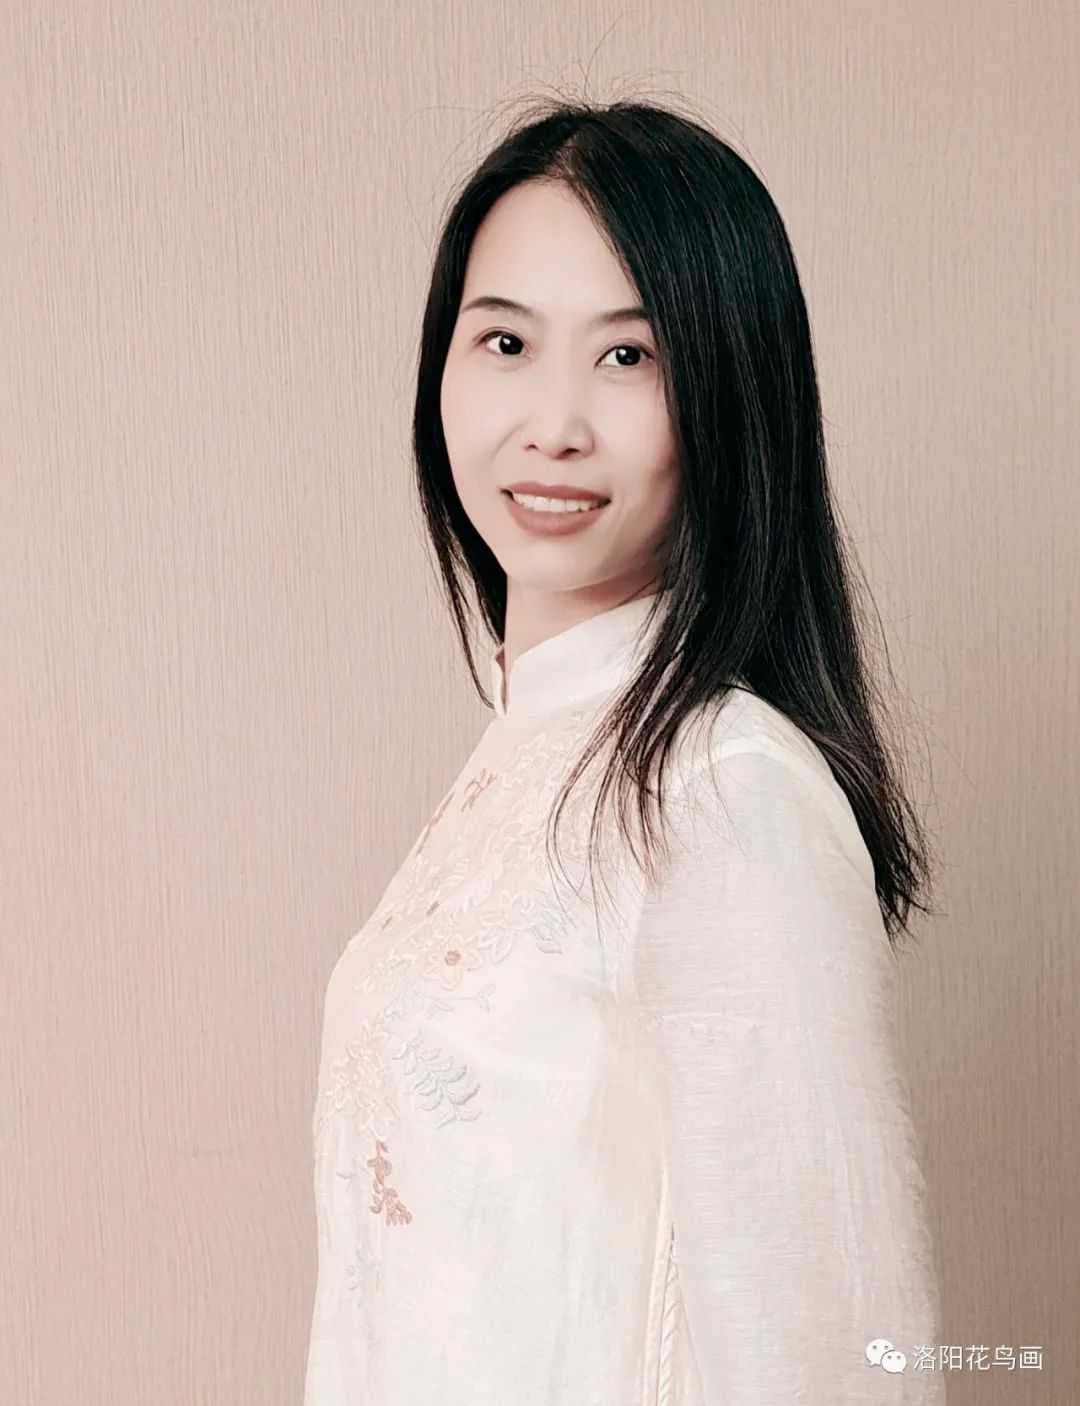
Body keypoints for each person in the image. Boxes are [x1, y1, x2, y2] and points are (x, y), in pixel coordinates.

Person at [304, 95, 947, 1404]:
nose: (553, 424)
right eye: (505, 341)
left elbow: (825, 1350)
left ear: (729, 394)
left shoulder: (724, 783)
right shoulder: (531, 744)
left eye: (628, 356)